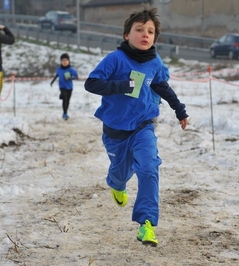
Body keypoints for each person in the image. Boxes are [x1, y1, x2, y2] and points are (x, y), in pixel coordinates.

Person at [84, 6, 188, 246]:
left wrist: (179, 110)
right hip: (116, 132)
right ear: (126, 35)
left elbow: (162, 87)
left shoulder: (155, 62)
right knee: (121, 173)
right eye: (139, 29)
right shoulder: (115, 59)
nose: (145, 35)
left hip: (143, 126)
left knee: (150, 167)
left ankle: (147, 224)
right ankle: (116, 183)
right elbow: (92, 83)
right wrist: (121, 86)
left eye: (150, 31)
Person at [50, 53, 79, 120]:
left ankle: (65, 112)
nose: (65, 62)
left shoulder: (71, 69)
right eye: (63, 60)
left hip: (69, 87)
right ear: (61, 61)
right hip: (62, 86)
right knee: (65, 98)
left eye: (66, 60)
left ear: (68, 61)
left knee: (67, 100)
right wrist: (52, 82)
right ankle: (64, 113)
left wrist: (70, 78)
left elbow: (76, 77)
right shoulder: (59, 69)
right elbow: (57, 75)